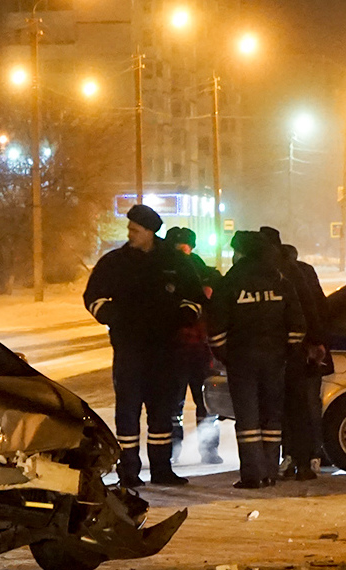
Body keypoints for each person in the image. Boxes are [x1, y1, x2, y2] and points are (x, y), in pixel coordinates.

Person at [83, 204, 203, 487]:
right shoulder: (115, 262)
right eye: (130, 229)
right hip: (129, 349)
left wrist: (184, 316)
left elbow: (196, 297)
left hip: (165, 349)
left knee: (162, 412)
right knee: (128, 412)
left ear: (150, 232)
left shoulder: (175, 262)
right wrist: (111, 316)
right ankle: (129, 471)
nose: (130, 234)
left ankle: (162, 468)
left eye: (135, 230)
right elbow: (93, 296)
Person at [208, 230, 306, 489]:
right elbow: (297, 323)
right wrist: (287, 351)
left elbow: (216, 326)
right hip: (275, 360)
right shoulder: (280, 280)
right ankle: (270, 472)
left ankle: (252, 475)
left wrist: (226, 355)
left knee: (248, 419)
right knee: (271, 417)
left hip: (242, 360)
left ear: (241, 253)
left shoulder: (231, 282)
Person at [266, 232, 328, 480]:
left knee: (293, 408)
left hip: (294, 353)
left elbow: (309, 310)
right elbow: (319, 307)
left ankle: (295, 457)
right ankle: (306, 457)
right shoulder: (302, 271)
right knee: (304, 408)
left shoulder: (284, 273)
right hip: (304, 353)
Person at [163, 226, 222, 465]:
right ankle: (193, 450)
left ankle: (178, 450)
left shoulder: (197, 273)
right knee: (190, 403)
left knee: (195, 403)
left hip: (192, 347)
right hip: (191, 348)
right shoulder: (203, 272)